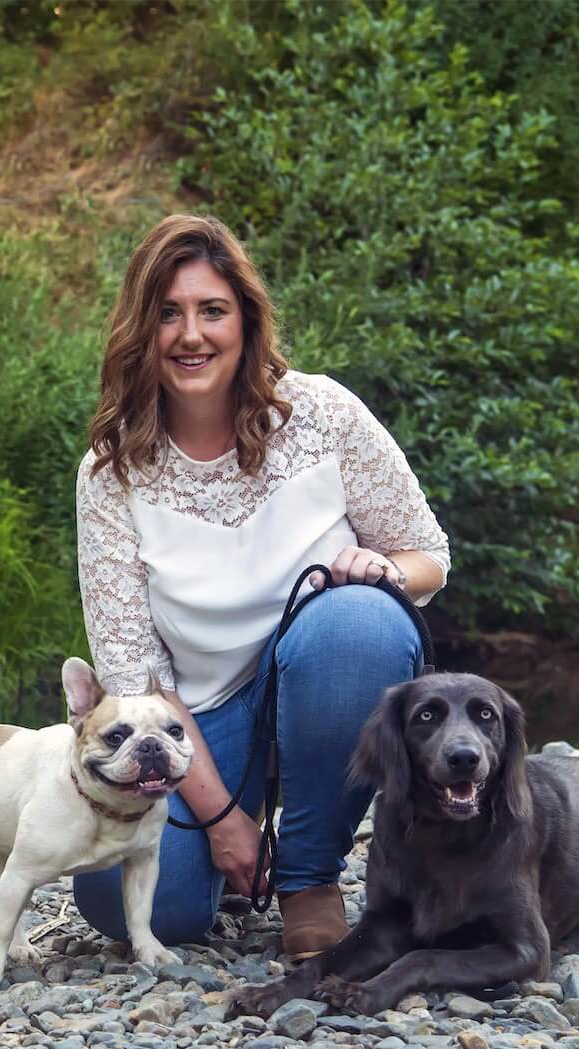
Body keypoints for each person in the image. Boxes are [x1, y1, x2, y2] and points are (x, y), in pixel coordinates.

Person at [72, 214, 451, 959]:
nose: (191, 335)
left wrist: (383, 571)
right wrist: (220, 822)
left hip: (327, 673)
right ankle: (240, 846)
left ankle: (308, 877)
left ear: (245, 319)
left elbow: (429, 555)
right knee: (127, 906)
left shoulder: (323, 415)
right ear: (140, 331)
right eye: (168, 314)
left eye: (211, 310)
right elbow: (135, 676)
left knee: (357, 627)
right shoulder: (109, 474)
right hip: (200, 718)